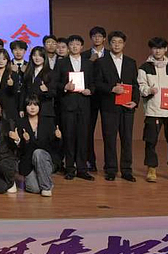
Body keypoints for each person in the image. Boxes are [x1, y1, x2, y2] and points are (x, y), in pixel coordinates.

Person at [138, 37, 168, 184]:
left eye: (160, 48)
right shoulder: (145, 67)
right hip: (153, 110)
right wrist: (149, 90)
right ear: (151, 50)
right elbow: (141, 85)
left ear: (165, 49)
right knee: (150, 140)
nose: (157, 51)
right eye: (154, 48)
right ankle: (151, 168)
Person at [94, 31, 140, 182]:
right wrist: (111, 89)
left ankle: (126, 170)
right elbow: (97, 83)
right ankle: (111, 169)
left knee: (127, 139)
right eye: (114, 42)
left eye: (120, 42)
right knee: (109, 138)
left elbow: (135, 84)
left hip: (127, 106)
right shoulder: (101, 62)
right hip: (109, 106)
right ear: (109, 44)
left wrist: (135, 101)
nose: (117, 45)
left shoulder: (131, 62)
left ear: (124, 44)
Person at [55, 35, 95, 180]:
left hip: (84, 105)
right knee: (69, 137)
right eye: (71, 44)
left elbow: (93, 83)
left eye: (77, 44)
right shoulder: (61, 63)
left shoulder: (88, 63)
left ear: (82, 47)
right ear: (68, 47)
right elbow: (55, 83)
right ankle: (70, 169)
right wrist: (65, 87)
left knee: (83, 137)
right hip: (68, 105)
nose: (74, 47)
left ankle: (82, 169)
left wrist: (90, 90)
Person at [18, 95, 61, 197]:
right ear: (25, 107)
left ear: (39, 107)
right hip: (28, 162)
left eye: (35, 105)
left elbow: (54, 147)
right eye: (29, 105)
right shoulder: (20, 123)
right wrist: (25, 141)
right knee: (35, 189)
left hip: (45, 160)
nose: (32, 108)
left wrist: (57, 138)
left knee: (38, 153)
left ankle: (46, 187)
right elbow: (21, 151)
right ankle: (45, 181)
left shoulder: (47, 122)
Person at [83, 26, 108, 172]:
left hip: (106, 96)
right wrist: (90, 62)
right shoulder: (84, 55)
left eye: (100, 36)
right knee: (88, 131)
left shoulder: (111, 55)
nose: (97, 38)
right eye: (94, 36)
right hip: (90, 97)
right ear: (91, 38)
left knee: (108, 132)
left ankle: (109, 164)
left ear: (104, 38)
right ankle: (90, 161)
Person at [21, 47, 56, 122]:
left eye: (40, 55)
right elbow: (23, 91)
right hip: (29, 109)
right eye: (34, 55)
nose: (37, 58)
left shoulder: (50, 73)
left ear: (44, 57)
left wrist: (46, 91)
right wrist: (21, 108)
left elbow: (54, 92)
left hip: (44, 110)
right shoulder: (28, 72)